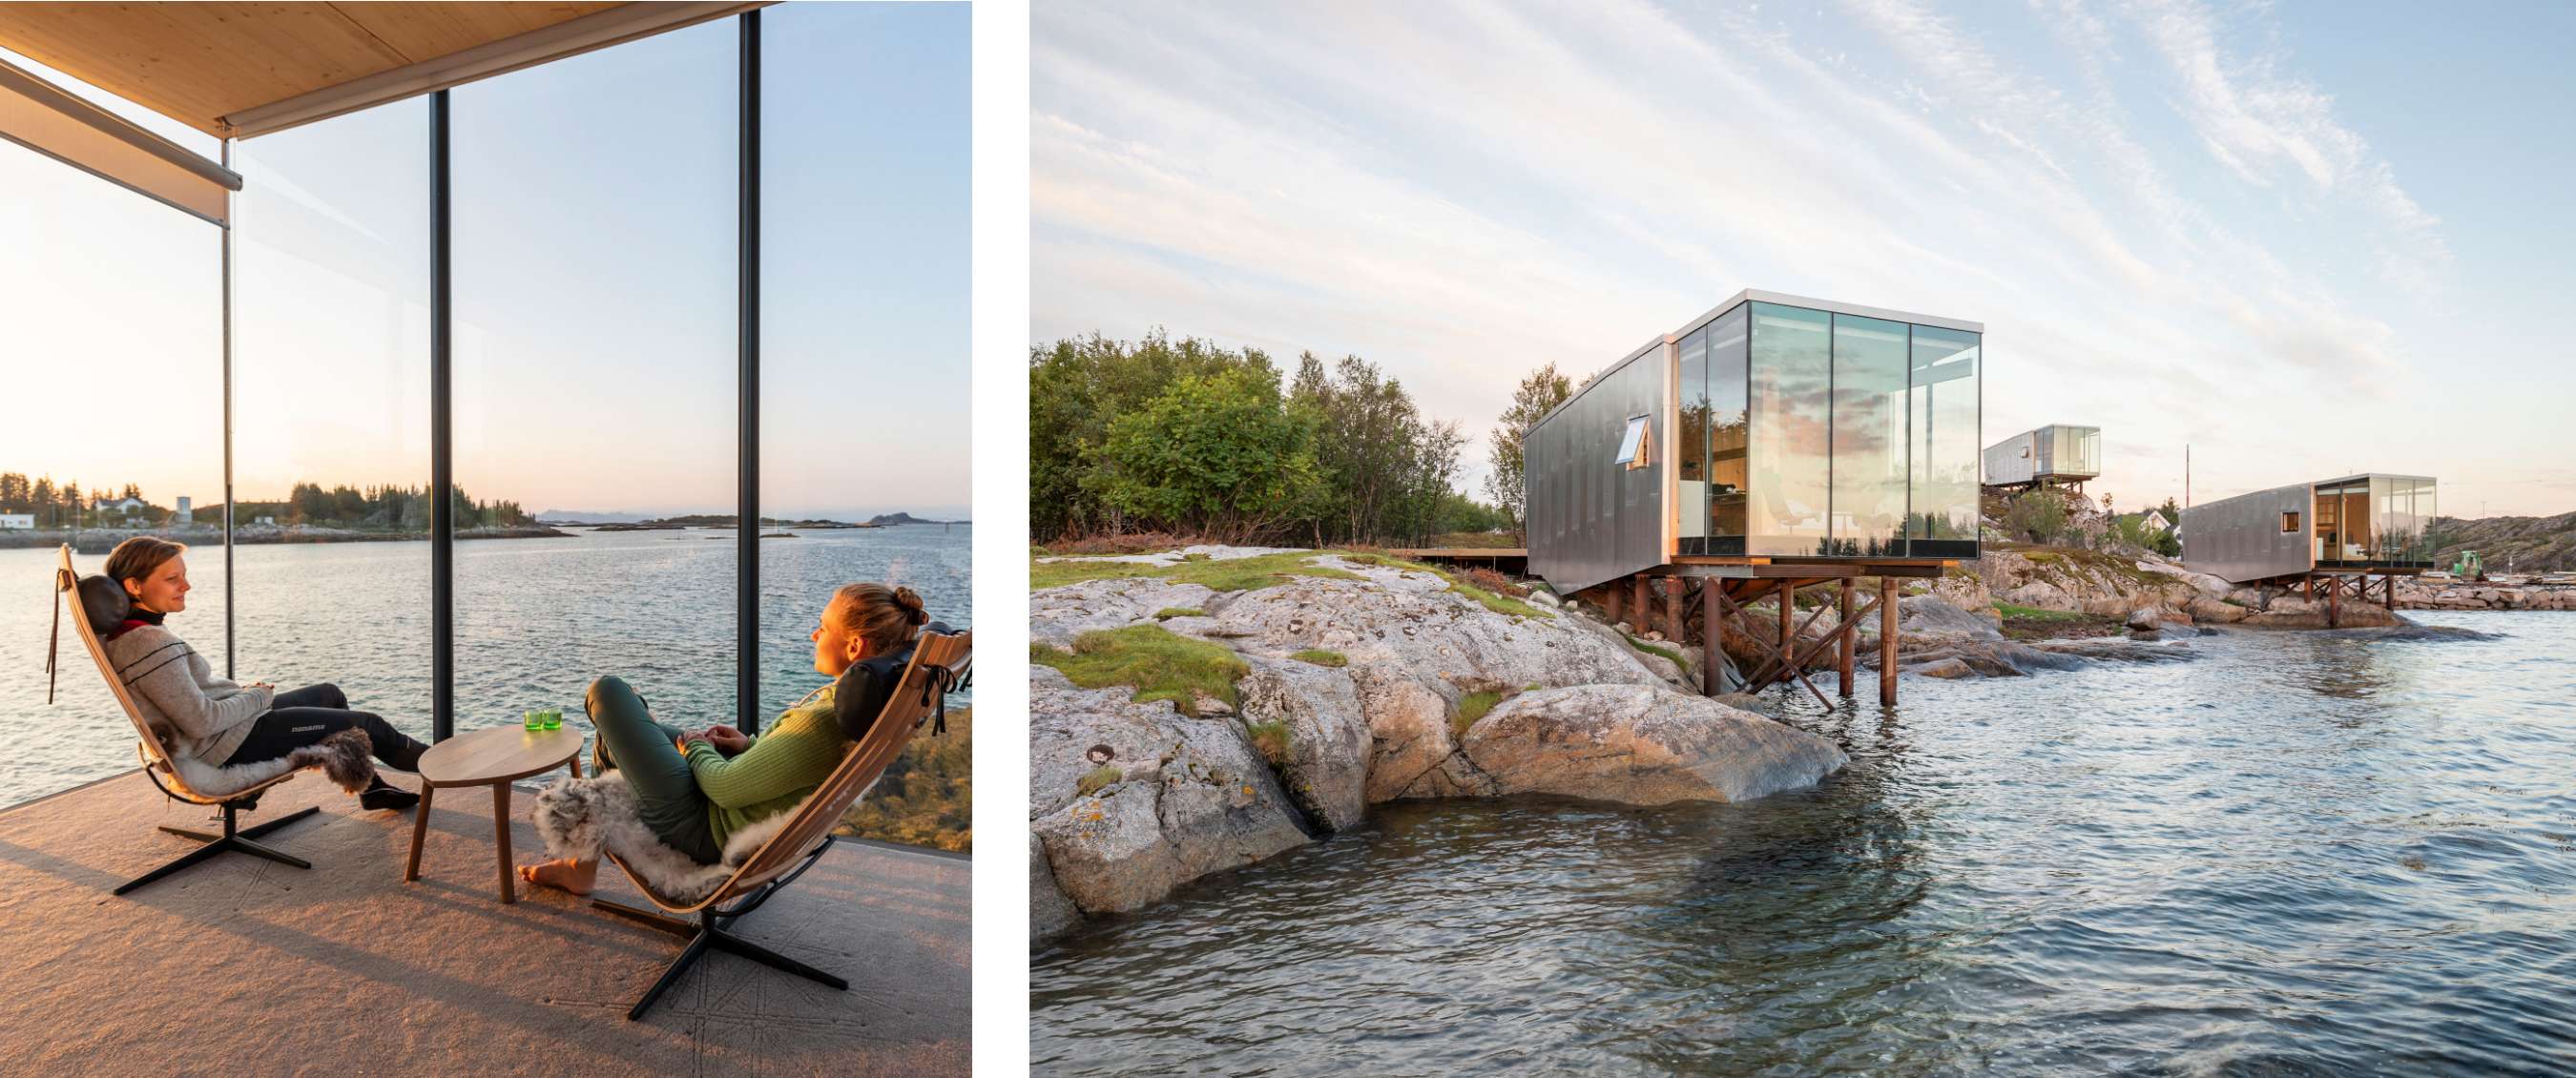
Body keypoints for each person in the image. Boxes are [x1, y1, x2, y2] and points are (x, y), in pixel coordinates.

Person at [520, 582, 930, 895]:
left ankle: (580, 865)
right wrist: (749, 747)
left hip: (704, 826)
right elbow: (793, 770)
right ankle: (581, 867)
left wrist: (696, 746)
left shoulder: (822, 723)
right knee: (618, 731)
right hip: (717, 809)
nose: (813, 635)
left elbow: (724, 786)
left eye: (822, 628)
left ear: (854, 645)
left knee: (607, 692)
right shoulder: (853, 710)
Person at [98, 536, 426, 811]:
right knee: (369, 724)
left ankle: (372, 789)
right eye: (172, 579)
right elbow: (201, 722)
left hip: (228, 732)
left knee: (330, 694)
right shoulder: (148, 642)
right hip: (225, 747)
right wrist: (256, 696)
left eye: (183, 575)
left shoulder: (134, 634)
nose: (187, 585)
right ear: (134, 586)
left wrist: (247, 698)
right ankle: (444, 765)